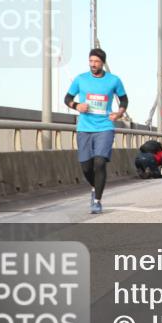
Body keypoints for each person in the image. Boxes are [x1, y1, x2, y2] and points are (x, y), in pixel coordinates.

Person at [64, 48, 127, 214]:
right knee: (86, 166)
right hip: (84, 127)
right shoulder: (80, 79)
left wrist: (119, 113)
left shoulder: (113, 80)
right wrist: (77, 105)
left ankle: (97, 201)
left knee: (99, 162)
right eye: (91, 61)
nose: (93, 64)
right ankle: (94, 187)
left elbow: (124, 99)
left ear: (102, 63)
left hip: (105, 127)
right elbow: (67, 98)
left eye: (97, 62)